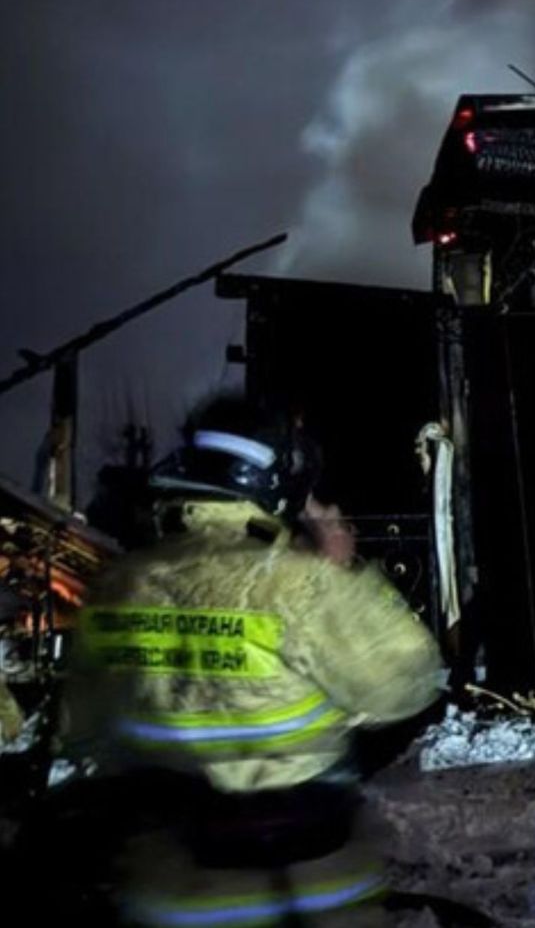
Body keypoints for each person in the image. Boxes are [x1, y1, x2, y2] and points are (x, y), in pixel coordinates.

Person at [62, 392, 445, 926]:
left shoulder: (117, 585)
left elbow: (81, 728)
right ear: (277, 485)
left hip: (166, 893)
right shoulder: (297, 584)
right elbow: (407, 680)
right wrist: (340, 569)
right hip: (300, 889)